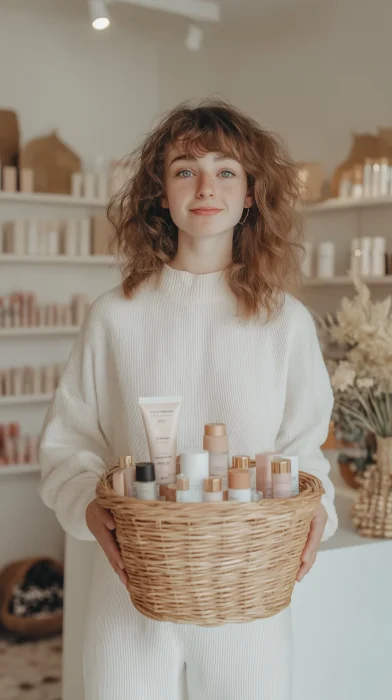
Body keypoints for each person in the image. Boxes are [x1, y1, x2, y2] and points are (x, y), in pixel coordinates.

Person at [39, 100, 338, 700]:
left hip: (245, 591)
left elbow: (304, 451)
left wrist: (319, 511)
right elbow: (70, 444)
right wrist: (86, 506)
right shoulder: (115, 317)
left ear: (252, 193)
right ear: (162, 192)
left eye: (226, 170)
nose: (206, 186)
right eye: (185, 169)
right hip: (130, 587)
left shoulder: (286, 323)